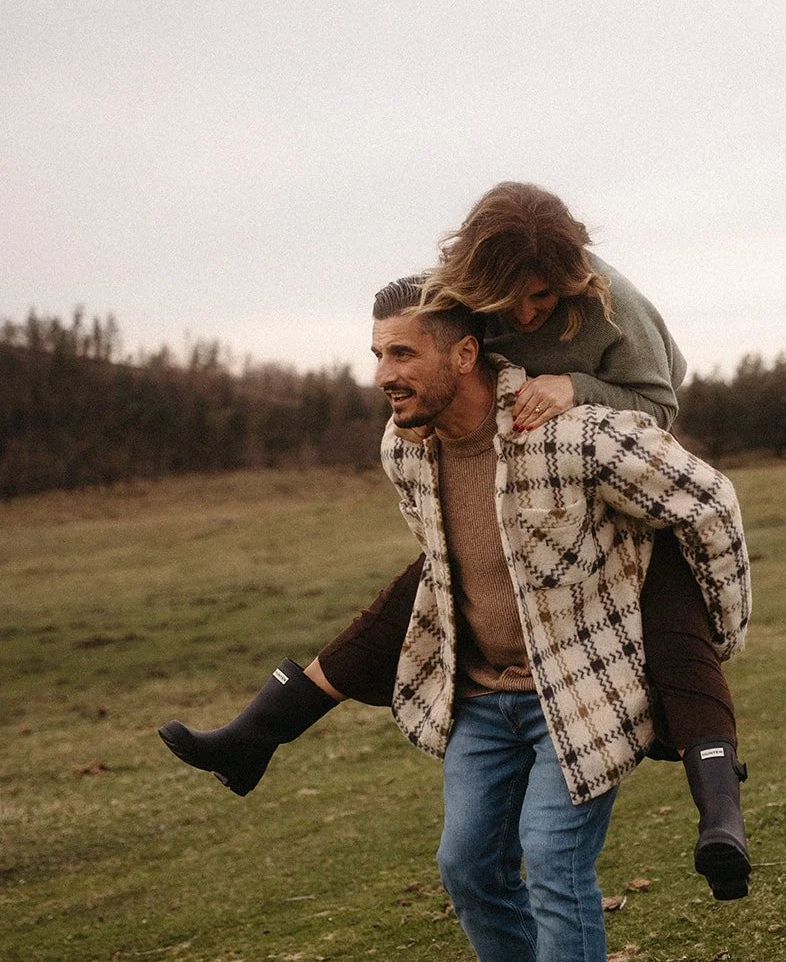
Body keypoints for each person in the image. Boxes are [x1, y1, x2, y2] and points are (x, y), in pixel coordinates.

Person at [159, 184, 749, 898]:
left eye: (542, 298)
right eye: (509, 299)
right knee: (430, 584)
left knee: (672, 615)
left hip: (613, 468)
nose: (524, 314)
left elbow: (658, 406)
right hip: (512, 481)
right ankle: (255, 735)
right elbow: (431, 349)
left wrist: (576, 385)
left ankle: (720, 815)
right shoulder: (459, 295)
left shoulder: (610, 303)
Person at [366, 274, 749, 962]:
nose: (384, 373)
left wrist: (710, 637)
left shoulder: (572, 431)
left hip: (577, 697)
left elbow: (708, 502)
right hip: (479, 699)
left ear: (466, 352)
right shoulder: (403, 448)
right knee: (467, 865)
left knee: (552, 863)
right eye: (377, 353)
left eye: (402, 353)